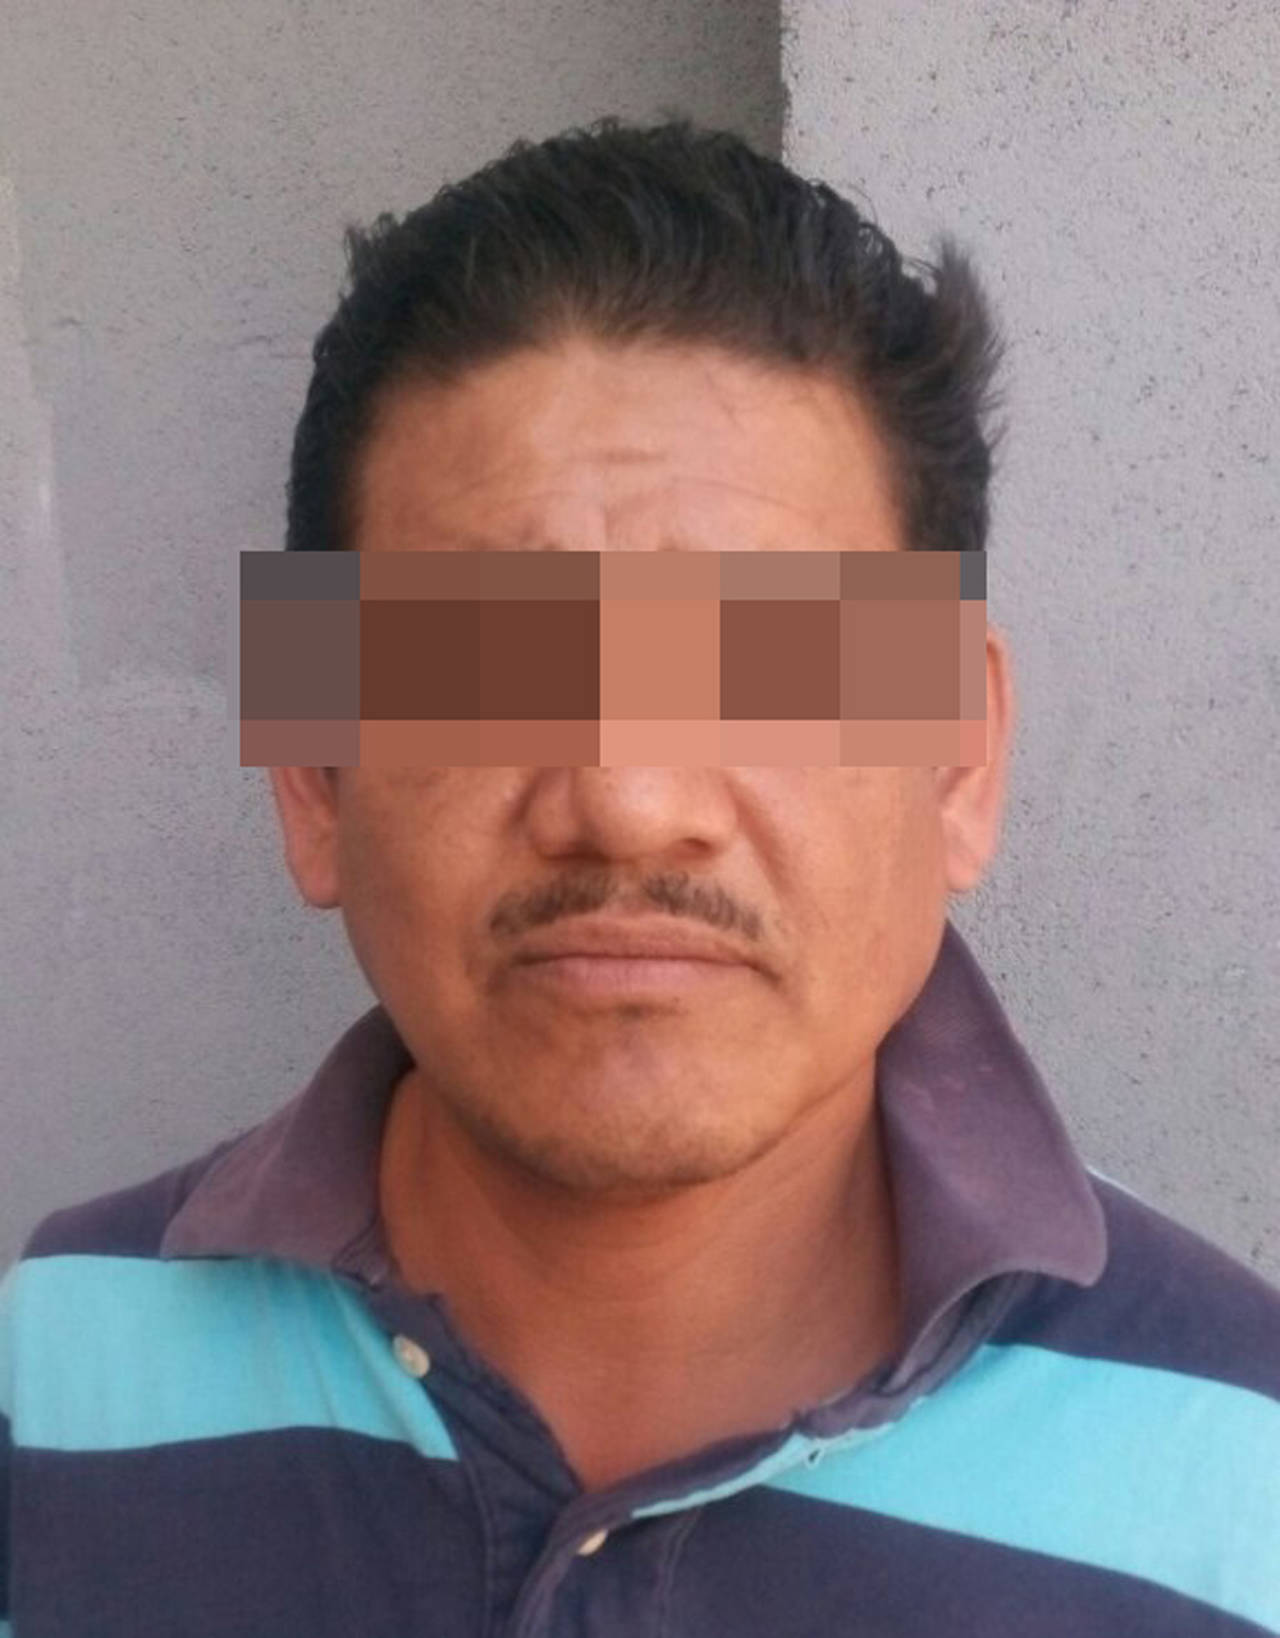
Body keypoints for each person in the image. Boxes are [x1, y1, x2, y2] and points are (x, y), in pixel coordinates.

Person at [2, 116, 1277, 1638]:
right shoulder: (45, 1396)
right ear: (313, 772)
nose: (625, 801)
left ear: (959, 762)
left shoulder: (1245, 1482)